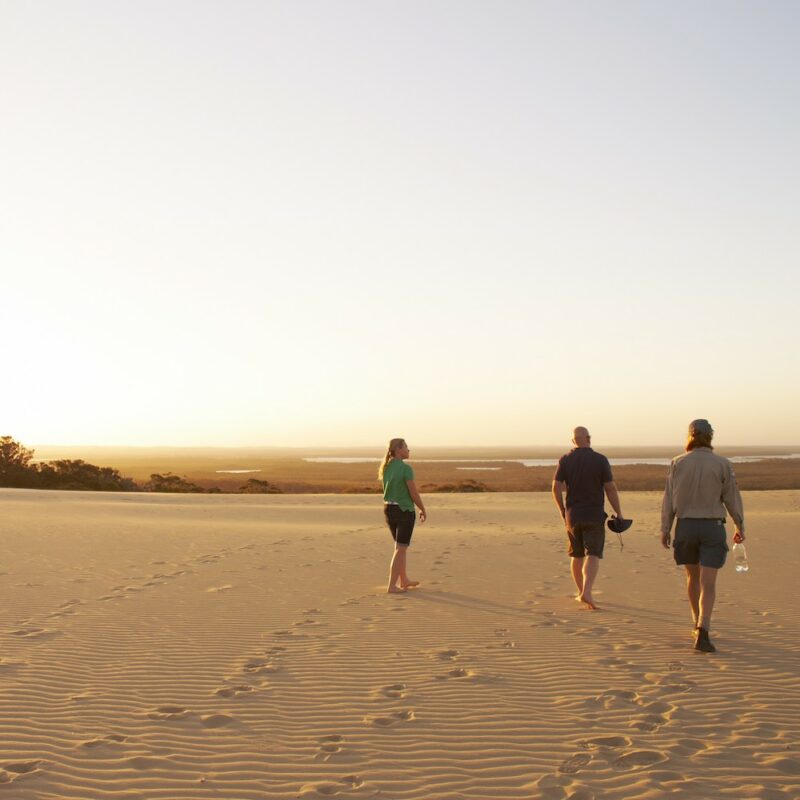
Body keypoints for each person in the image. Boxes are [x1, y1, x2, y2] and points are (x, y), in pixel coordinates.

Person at [661, 419, 745, 653]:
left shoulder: (677, 462)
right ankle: (703, 628)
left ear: (690, 436)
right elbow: (732, 498)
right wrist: (740, 525)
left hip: (686, 526)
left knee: (692, 578)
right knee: (708, 582)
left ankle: (696, 623)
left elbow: (668, 498)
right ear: (710, 436)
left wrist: (665, 527)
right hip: (712, 527)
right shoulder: (722, 464)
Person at [552, 426, 624, 610]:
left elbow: (555, 487)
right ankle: (587, 591)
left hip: (573, 516)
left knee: (576, 555)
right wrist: (619, 512)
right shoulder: (600, 460)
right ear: (589, 438)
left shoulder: (565, 459)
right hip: (594, 514)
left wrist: (562, 509)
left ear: (573, 441)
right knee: (593, 553)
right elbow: (610, 488)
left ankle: (580, 592)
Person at [378, 438, 427, 593]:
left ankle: (403, 580)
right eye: (406, 447)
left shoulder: (386, 467)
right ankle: (392, 586)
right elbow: (413, 493)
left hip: (389, 510)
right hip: (404, 511)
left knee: (400, 547)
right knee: (400, 548)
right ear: (399, 449)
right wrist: (422, 508)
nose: (408, 450)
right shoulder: (406, 468)